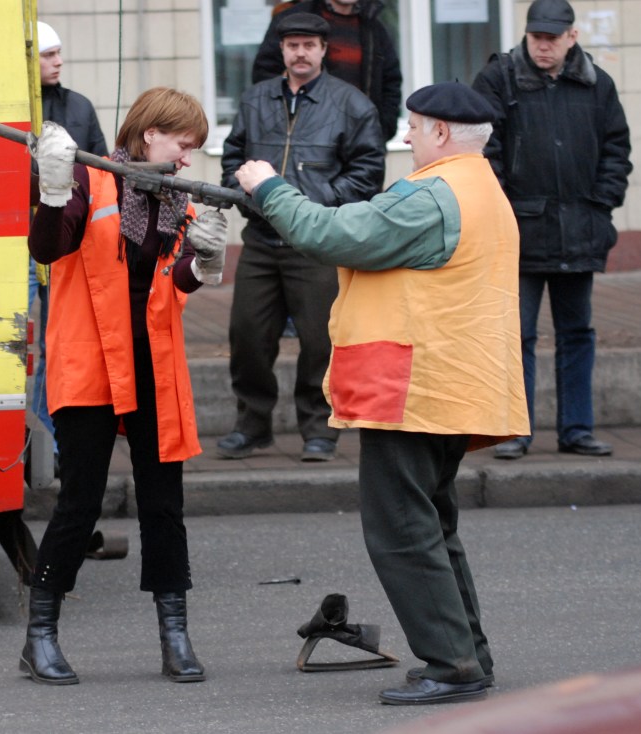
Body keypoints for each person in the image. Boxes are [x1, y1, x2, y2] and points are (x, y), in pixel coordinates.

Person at [233, 81, 530, 704]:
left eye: (416, 127)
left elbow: (330, 233)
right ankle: (468, 656)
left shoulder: (433, 195)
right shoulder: (483, 190)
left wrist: (268, 186)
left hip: (415, 389)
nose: (408, 137)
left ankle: (453, 666)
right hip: (451, 386)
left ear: (443, 134)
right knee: (433, 526)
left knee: (402, 531)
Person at [20, 87, 226, 685]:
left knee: (164, 504)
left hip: (154, 366)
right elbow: (47, 248)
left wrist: (204, 263)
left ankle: (175, 636)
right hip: (91, 364)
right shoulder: (90, 182)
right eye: (184, 145)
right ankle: (40, 637)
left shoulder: (175, 198)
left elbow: (176, 282)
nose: (188, 159)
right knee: (79, 504)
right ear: (148, 135)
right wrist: (53, 193)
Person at [218, 12, 384, 462]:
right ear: (281, 50)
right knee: (247, 336)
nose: (301, 53)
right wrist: (245, 196)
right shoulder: (255, 100)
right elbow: (234, 157)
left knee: (320, 341)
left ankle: (319, 430)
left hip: (318, 243)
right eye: (293, 45)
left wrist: (318, 202)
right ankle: (252, 427)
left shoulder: (351, 104)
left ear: (324, 50)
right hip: (261, 240)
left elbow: (368, 172)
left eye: (309, 45)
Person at [472, 0, 632, 460]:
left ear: (571, 37)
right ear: (527, 35)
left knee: (577, 332)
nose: (543, 45)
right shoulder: (498, 78)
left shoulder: (598, 84)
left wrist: (601, 205)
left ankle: (577, 430)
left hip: (581, 226)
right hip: (518, 231)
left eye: (552, 37)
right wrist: (501, 210)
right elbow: (485, 149)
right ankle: (516, 431)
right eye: (536, 36)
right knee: (517, 333)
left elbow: (616, 150)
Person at [28, 21, 110, 469]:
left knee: (61, 340)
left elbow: (99, 170)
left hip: (64, 235)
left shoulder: (78, 106)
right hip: (19, 237)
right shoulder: (14, 107)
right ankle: (23, 435)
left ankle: (53, 439)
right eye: (48, 55)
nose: (58, 61)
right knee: (17, 344)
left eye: (59, 53)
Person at [251, 0, 402, 141]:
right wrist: (289, 125)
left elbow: (391, 81)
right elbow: (265, 76)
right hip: (307, 143)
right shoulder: (294, 20)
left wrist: (381, 129)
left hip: (360, 140)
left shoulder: (373, 26)